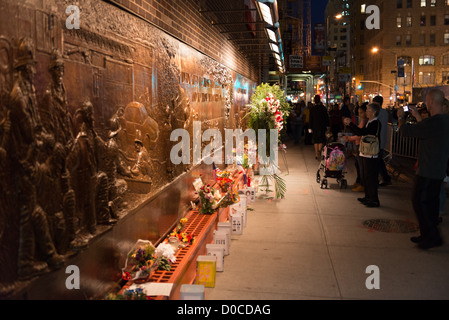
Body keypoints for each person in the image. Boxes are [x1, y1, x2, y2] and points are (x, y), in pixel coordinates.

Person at [398, 89, 449, 249]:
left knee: (420, 202)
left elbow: (405, 131)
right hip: (437, 169)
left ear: (432, 102)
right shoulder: (443, 121)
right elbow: (427, 130)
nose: (426, 104)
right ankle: (428, 235)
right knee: (430, 203)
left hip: (428, 170)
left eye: (427, 101)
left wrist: (401, 117)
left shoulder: (435, 122)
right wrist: (419, 117)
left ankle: (432, 237)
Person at [344, 103, 382, 208]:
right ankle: (368, 197)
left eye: (368, 110)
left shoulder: (375, 123)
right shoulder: (369, 121)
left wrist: (351, 124)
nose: (366, 112)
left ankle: (373, 199)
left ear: (374, 112)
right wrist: (350, 125)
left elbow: (361, 132)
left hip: (371, 154)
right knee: (365, 175)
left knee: (371, 177)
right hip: (365, 152)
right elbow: (360, 132)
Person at [343, 103, 368, 192]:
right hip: (358, 145)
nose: (360, 115)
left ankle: (362, 184)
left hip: (362, 146)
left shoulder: (367, 122)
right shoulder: (363, 121)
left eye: (361, 112)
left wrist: (349, 138)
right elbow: (358, 131)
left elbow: (360, 134)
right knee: (357, 165)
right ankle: (359, 182)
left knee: (360, 166)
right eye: (359, 113)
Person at [372, 96, 392, 187]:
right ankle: (385, 178)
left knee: (377, 161)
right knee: (379, 161)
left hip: (378, 140)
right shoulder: (384, 112)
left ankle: (382, 179)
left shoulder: (379, 112)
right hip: (380, 140)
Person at [309, 95, 330, 160]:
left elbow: (310, 119)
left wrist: (310, 128)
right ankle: (319, 151)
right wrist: (328, 126)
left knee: (315, 140)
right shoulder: (323, 108)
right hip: (322, 126)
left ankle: (316, 154)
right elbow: (326, 118)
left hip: (314, 127)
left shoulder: (312, 109)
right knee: (321, 139)